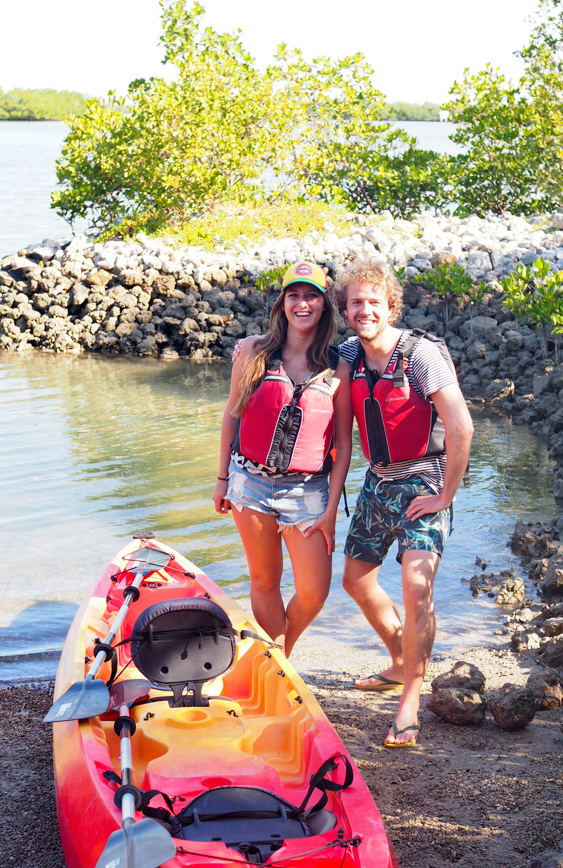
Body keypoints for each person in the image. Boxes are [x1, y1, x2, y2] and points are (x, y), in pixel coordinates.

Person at [334, 258, 474, 747]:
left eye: (374, 301)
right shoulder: (348, 354)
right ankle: (399, 660)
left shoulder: (422, 355)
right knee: (354, 580)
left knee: (416, 588)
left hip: (423, 482)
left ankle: (409, 700)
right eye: (356, 302)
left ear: (390, 305)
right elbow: (340, 428)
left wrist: (445, 495)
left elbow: (461, 427)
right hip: (378, 482)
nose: (365, 309)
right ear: (345, 309)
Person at [212, 262, 352, 657]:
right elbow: (231, 415)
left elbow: (343, 442)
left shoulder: (339, 366)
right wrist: (221, 479)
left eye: (312, 296)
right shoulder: (254, 350)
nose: (302, 304)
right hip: (249, 482)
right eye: (294, 295)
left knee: (313, 591)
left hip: (307, 491)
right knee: (264, 579)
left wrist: (331, 509)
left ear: (324, 305)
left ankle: (277, 656)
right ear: (282, 303)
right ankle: (278, 669)